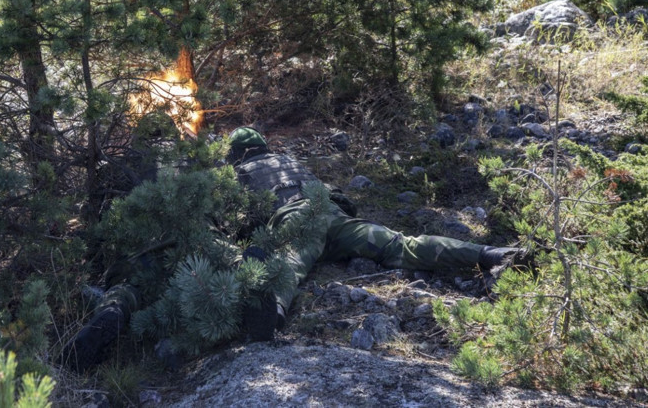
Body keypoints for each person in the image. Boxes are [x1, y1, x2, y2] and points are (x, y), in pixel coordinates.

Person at [63, 126, 528, 371]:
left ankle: (270, 312)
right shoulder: (289, 159)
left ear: (234, 157)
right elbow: (335, 194)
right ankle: (487, 255)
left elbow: (238, 221)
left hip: (293, 223)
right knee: (401, 245)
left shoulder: (231, 174)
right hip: (333, 216)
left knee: (287, 264)